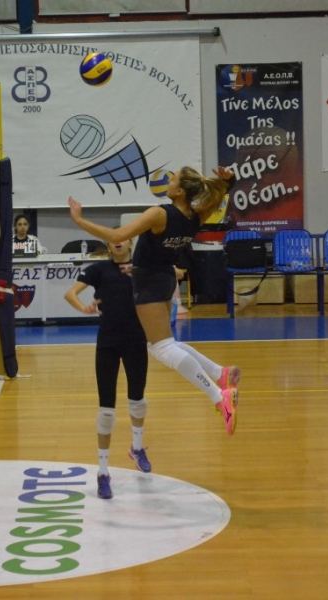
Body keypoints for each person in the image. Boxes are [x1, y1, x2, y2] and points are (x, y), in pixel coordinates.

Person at [68, 165, 241, 435]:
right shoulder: (196, 214)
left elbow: (117, 236)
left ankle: (219, 397)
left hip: (149, 283)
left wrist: (79, 220)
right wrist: (229, 182)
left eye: (173, 180)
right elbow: (218, 197)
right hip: (164, 279)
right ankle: (220, 372)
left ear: (180, 191)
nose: (168, 182)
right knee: (163, 344)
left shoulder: (159, 213)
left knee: (162, 348)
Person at [64, 238, 149, 500]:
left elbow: (175, 274)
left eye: (122, 238)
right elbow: (70, 294)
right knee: (106, 411)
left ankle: (137, 448)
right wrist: (85, 308)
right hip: (108, 343)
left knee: (137, 402)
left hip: (137, 341)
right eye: (112, 240)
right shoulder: (99, 270)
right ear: (109, 247)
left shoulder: (141, 268)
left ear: (131, 243)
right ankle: (103, 473)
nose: (118, 243)